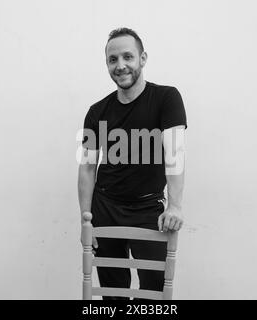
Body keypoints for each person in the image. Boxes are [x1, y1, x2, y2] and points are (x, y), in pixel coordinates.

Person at [78, 27, 187, 300]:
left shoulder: (166, 98)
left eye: (128, 56)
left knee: (153, 290)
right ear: (107, 64)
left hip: (148, 209)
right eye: (113, 59)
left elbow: (175, 153)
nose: (121, 65)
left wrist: (174, 205)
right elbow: (87, 167)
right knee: (113, 293)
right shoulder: (96, 111)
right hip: (105, 208)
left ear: (143, 58)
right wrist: (85, 220)